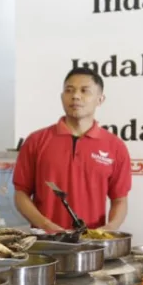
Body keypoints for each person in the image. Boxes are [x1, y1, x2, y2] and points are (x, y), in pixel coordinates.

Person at [13, 68, 131, 232]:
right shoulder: (36, 141)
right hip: (45, 241)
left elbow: (120, 200)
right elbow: (21, 194)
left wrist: (109, 229)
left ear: (100, 99)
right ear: (62, 97)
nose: (75, 96)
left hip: (92, 243)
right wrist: (46, 226)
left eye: (84, 90)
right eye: (69, 90)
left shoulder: (115, 146)